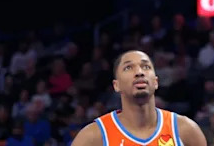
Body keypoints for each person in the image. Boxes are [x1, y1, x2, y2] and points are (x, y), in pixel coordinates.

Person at [70, 50, 206, 146]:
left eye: (145, 66)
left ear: (156, 82)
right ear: (116, 85)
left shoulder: (186, 130)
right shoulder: (93, 136)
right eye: (128, 67)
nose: (139, 72)